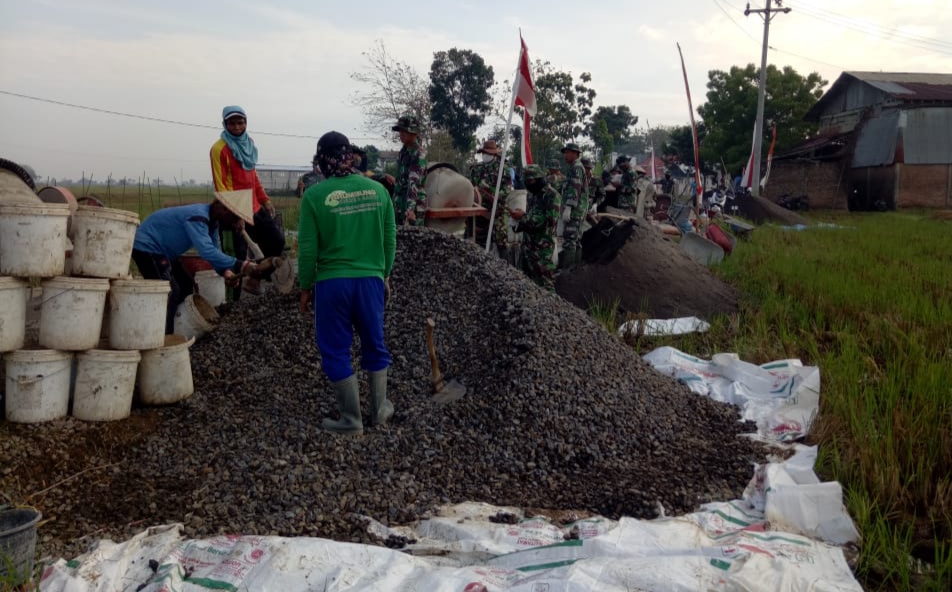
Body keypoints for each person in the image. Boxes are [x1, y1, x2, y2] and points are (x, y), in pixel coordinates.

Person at [298, 131, 396, 436]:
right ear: (350, 156)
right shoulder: (378, 191)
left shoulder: (314, 196)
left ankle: (350, 420)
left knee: (336, 349)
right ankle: (379, 411)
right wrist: (384, 274)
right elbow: (390, 238)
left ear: (322, 160)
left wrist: (305, 286)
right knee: (375, 344)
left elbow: (308, 249)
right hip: (370, 282)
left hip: (332, 285)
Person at [132, 192, 257, 334]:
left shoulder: (213, 223)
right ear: (220, 207)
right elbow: (206, 251)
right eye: (234, 217)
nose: (234, 223)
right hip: (147, 246)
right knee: (169, 292)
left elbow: (215, 252)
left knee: (186, 284)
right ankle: (162, 337)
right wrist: (241, 265)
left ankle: (176, 328)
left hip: (164, 251)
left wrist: (225, 271)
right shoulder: (198, 217)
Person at [210, 105, 286, 295]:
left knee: (276, 240)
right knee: (237, 254)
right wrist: (236, 214)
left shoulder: (248, 143)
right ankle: (232, 301)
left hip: (253, 205)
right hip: (232, 208)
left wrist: (265, 199)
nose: (236, 127)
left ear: (246, 123)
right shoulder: (219, 149)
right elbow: (221, 187)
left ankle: (257, 277)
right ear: (225, 124)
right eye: (232, 123)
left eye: (240, 122)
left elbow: (253, 176)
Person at [511, 165, 561, 291]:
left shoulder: (551, 196)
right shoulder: (531, 194)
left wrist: (522, 217)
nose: (528, 184)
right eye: (526, 181)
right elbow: (529, 215)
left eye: (531, 181)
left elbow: (547, 222)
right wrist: (517, 222)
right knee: (532, 281)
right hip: (529, 245)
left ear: (540, 179)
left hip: (543, 248)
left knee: (546, 282)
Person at [469, 139, 513, 260]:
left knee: (500, 239)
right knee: (479, 239)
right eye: (484, 153)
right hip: (480, 210)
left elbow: (507, 189)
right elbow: (471, 187)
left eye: (488, 153)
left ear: (494, 154)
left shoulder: (503, 168)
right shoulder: (475, 169)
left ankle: (507, 268)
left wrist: (492, 192)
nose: (486, 155)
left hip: (498, 209)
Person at [391, 114, 427, 226]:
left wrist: (410, 209)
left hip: (413, 206)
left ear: (413, 133)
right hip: (400, 204)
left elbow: (413, 184)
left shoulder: (418, 153)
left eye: (404, 131)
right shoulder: (403, 152)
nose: (400, 135)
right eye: (400, 131)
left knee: (413, 240)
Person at [558, 142, 588, 269]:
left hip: (575, 210)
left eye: (568, 152)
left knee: (570, 241)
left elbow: (574, 189)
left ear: (575, 154)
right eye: (565, 152)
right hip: (579, 210)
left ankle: (567, 271)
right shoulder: (576, 167)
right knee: (576, 240)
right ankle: (575, 270)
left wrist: (569, 207)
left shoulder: (576, 168)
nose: (566, 155)